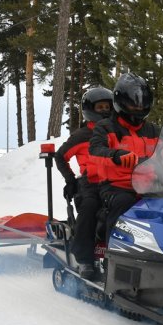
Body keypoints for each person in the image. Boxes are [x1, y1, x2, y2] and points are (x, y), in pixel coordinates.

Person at [90, 73, 160, 252]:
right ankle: (112, 256)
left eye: (142, 102)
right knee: (124, 203)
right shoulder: (106, 127)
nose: (138, 106)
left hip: (152, 186)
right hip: (117, 186)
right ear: (120, 101)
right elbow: (95, 151)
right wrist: (115, 154)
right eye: (133, 102)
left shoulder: (153, 130)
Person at [55, 87, 113, 280]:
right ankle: (84, 258)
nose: (105, 110)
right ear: (90, 109)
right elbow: (61, 156)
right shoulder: (81, 136)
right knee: (89, 207)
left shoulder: (116, 132)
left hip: (114, 181)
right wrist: (70, 180)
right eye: (100, 107)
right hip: (91, 183)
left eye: (108, 106)